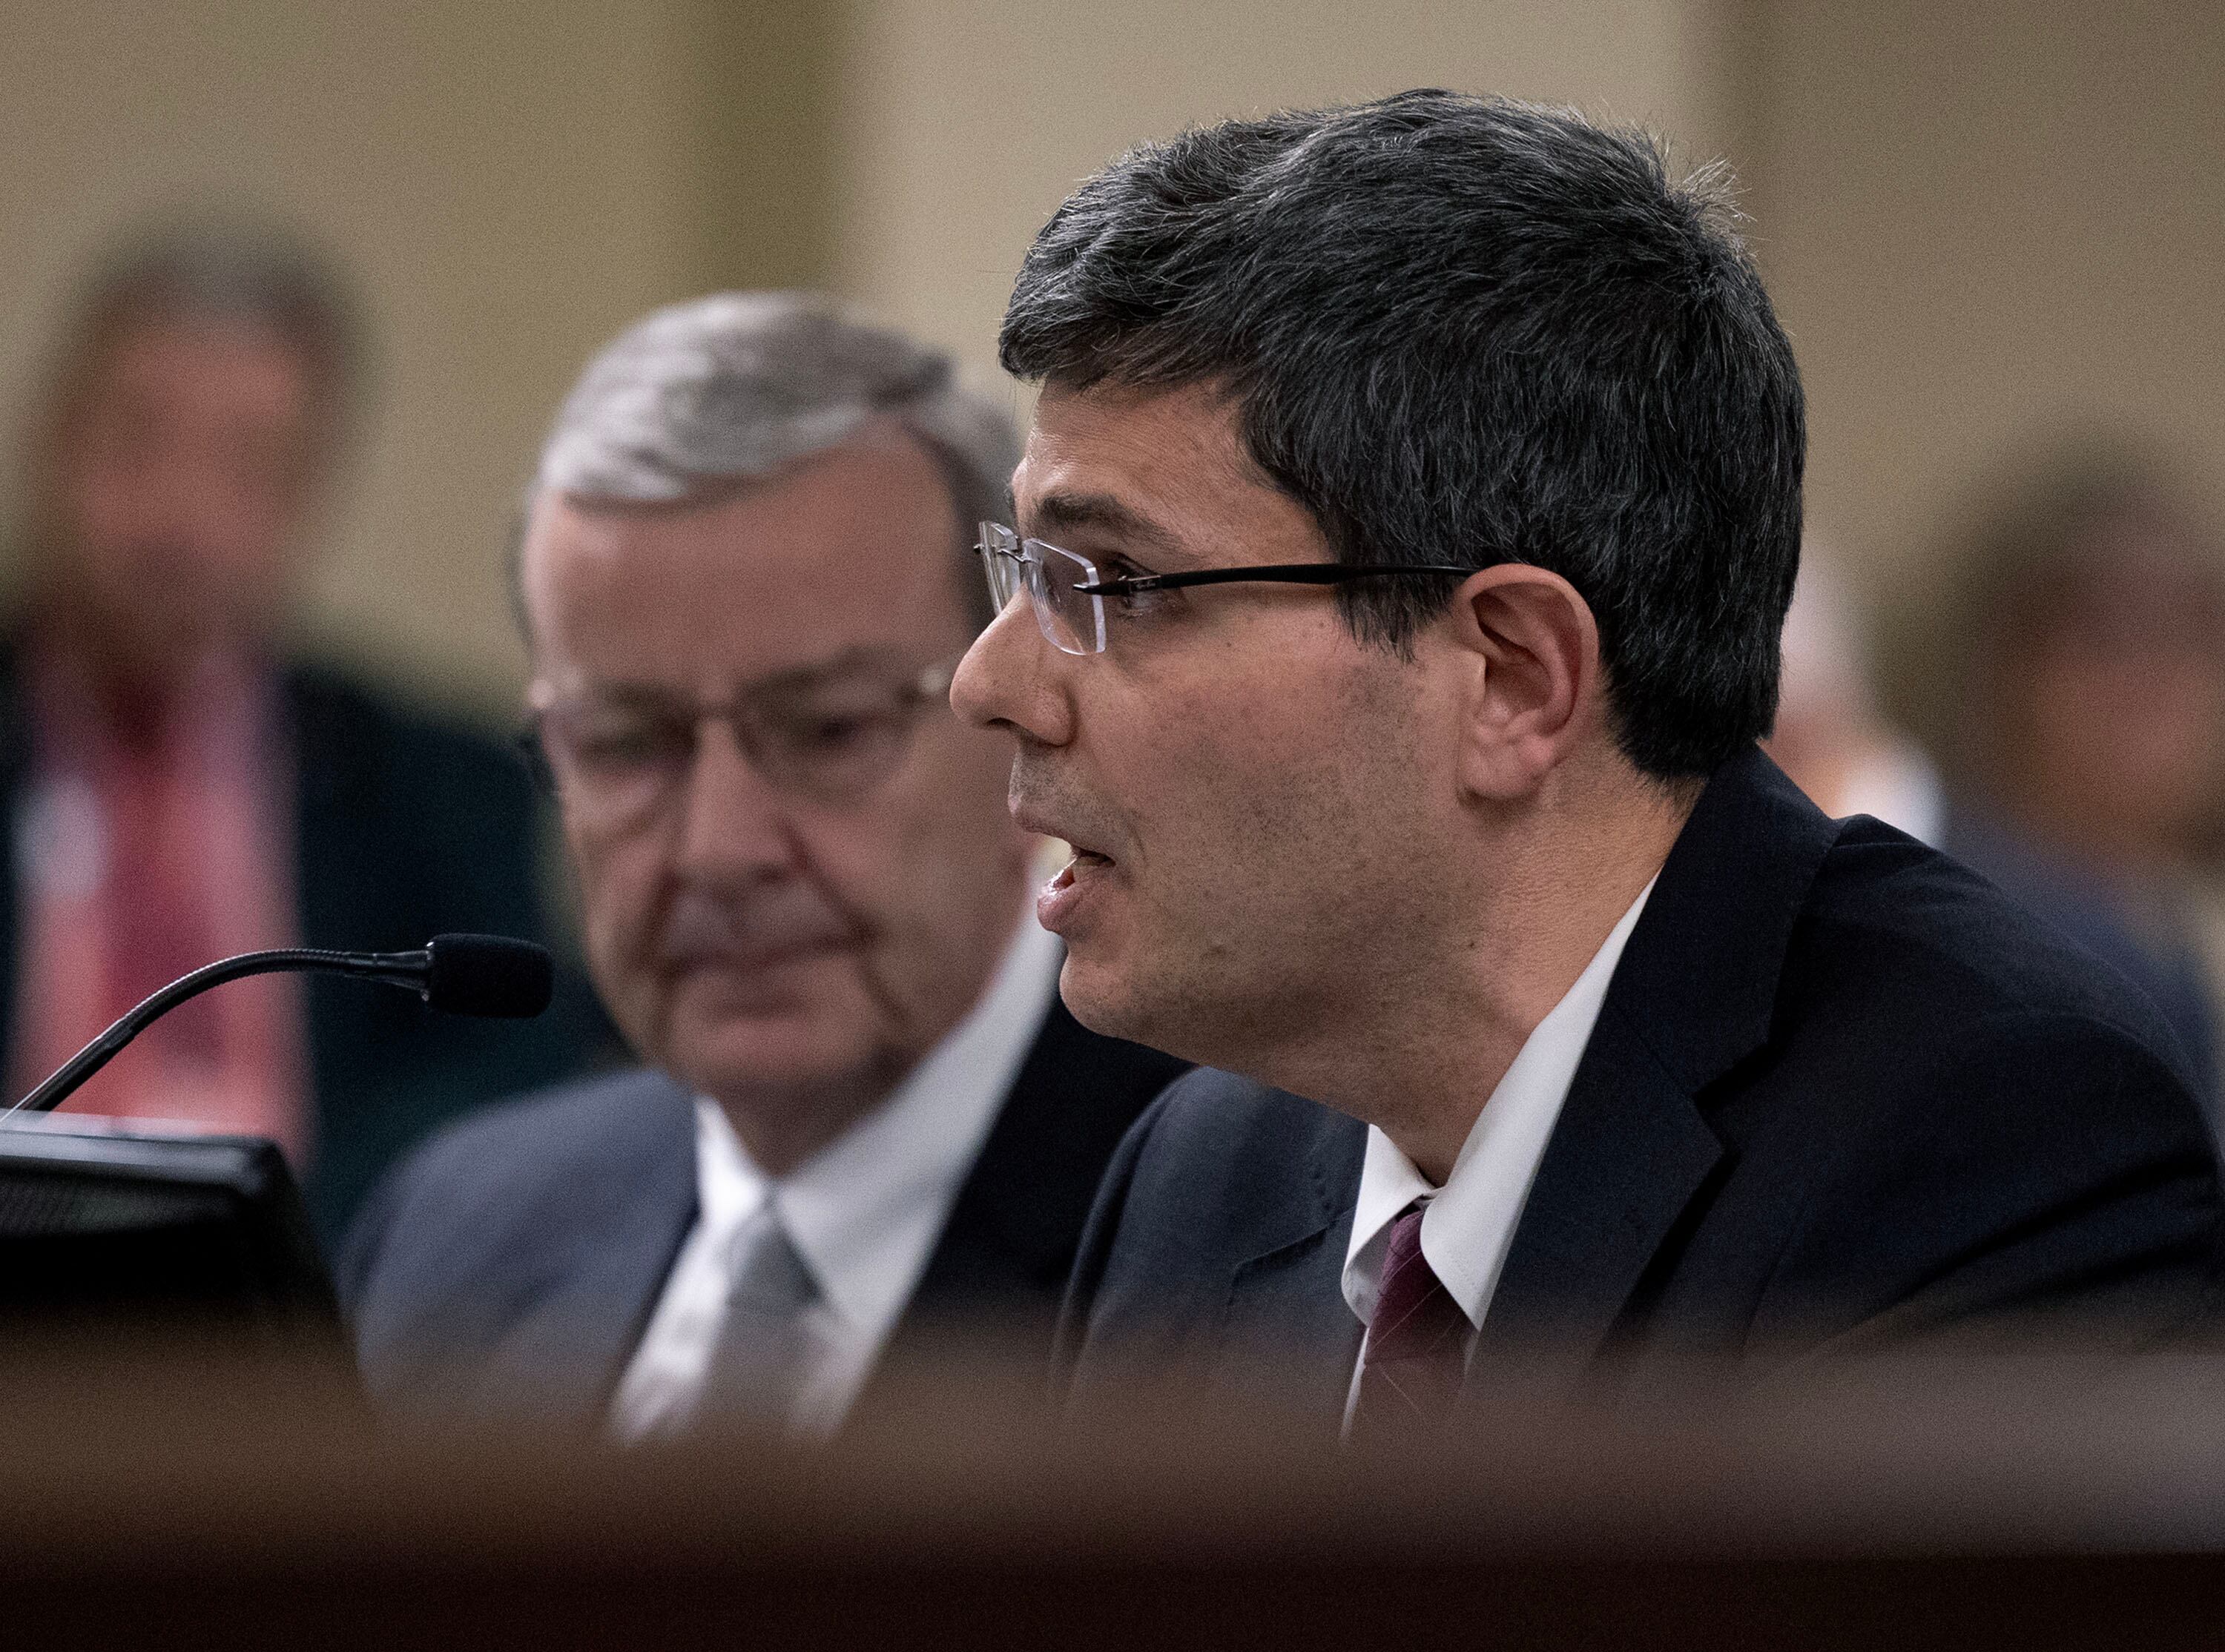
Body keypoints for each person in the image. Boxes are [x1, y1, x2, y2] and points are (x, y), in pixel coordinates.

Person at [949, 93, 2223, 1437]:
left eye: (1125, 582)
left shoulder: (1987, 1146)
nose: (990, 683)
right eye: (1028, 570)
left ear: (1511, 676)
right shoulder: (1196, 1176)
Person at [341, 294, 1187, 1438]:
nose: (719, 851)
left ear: (1018, 721)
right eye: (628, 743)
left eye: (831, 729)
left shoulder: (1217, 1240)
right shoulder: (454, 1238)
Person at [1, 221, 610, 1244]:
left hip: (309, 1333)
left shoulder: (441, 788)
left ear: (308, 491)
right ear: (54, 443)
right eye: (137, 441)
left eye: (246, 463)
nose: (179, 516)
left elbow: (515, 1075)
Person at [1916, 455, 2225, 1112]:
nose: (2154, 677)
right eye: (2102, 630)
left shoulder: (2175, 924)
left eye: (2194, 625)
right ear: (1998, 672)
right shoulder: (1970, 936)